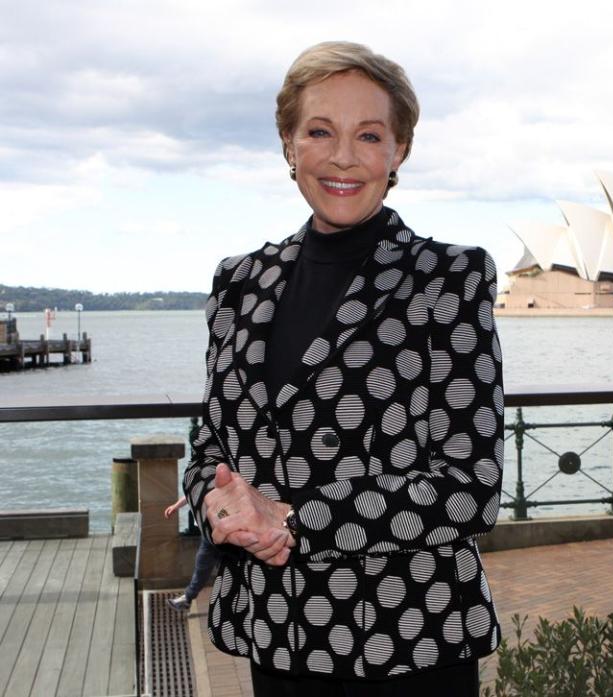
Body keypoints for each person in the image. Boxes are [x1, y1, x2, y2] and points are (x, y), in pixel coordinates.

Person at [182, 41, 504, 696]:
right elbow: (209, 452)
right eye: (320, 131)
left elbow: (473, 486)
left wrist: (294, 520)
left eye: (369, 134)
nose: (343, 156)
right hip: (279, 633)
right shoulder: (239, 282)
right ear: (288, 141)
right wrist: (216, 501)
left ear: (399, 150)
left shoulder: (447, 279)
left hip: (409, 638)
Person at [164, 496, 222, 611]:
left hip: (213, 529)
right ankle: (188, 597)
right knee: (207, 564)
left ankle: (187, 598)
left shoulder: (217, 481)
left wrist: (219, 518)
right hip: (209, 528)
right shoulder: (203, 480)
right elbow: (190, 492)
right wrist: (176, 506)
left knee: (203, 564)